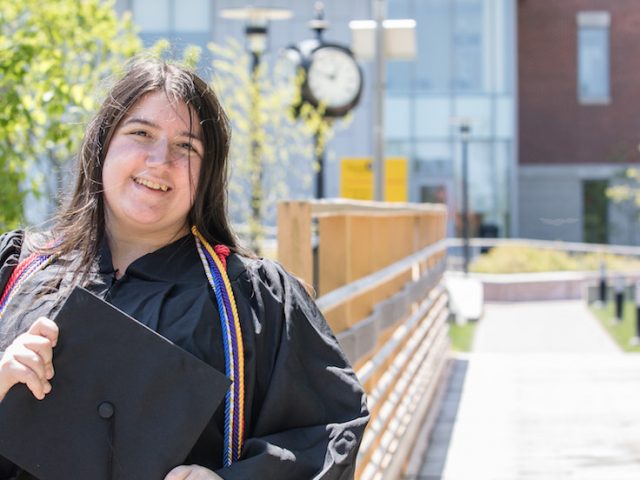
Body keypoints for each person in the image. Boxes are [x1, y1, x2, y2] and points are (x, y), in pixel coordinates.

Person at [0, 58, 369, 479]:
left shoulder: (254, 301)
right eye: (141, 133)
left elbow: (324, 438)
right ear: (103, 145)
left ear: (207, 174)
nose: (160, 160)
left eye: (186, 147)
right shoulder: (16, 271)